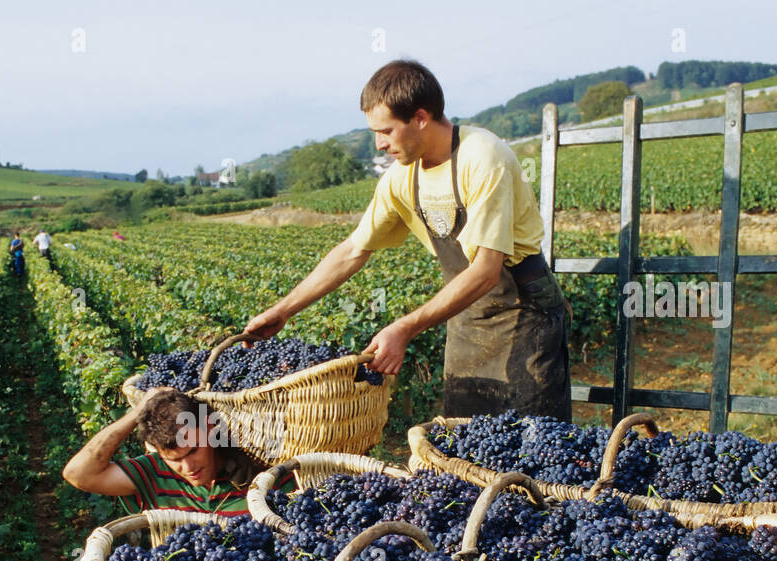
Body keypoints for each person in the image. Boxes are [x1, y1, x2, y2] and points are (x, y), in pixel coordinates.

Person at [244, 59, 572, 421]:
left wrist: (404, 327)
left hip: (524, 314)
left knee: (527, 443)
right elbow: (354, 250)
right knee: (465, 438)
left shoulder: (482, 158)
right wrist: (282, 311)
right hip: (466, 317)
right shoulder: (401, 178)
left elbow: (485, 271)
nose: (379, 144)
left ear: (419, 117)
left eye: (385, 131)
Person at [62, 388, 295, 516]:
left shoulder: (263, 475)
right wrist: (138, 412)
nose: (188, 467)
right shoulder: (153, 473)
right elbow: (78, 473)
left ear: (210, 428)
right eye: (174, 459)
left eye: (193, 451)